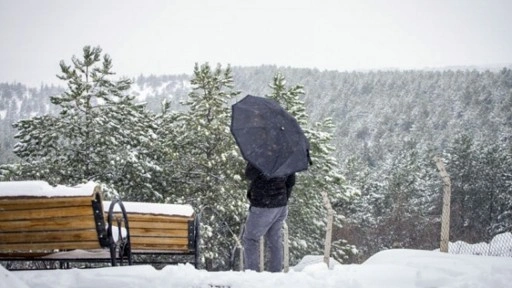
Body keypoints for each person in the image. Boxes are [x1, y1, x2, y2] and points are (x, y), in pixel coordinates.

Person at [242, 162, 295, 272]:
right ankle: (276, 272)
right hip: (281, 204)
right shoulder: (286, 155)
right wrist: (283, 198)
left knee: (251, 239)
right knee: (274, 238)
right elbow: (291, 181)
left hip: (263, 204)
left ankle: (252, 274)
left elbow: (249, 174)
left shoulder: (261, 155)